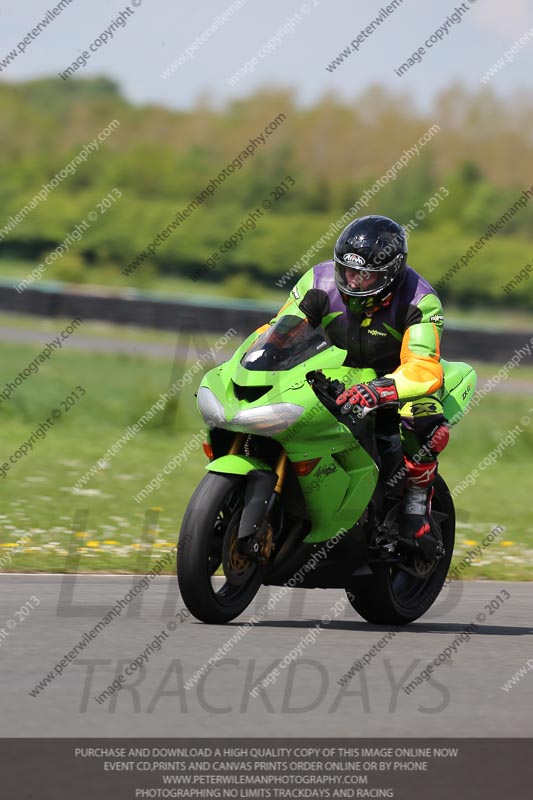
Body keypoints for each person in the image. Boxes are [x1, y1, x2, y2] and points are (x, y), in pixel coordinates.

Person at [272, 215, 450, 559]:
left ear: (391, 273)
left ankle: (416, 508)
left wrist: (380, 389)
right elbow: (280, 329)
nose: (354, 280)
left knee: (424, 416)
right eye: (349, 271)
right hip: (333, 372)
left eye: (366, 274)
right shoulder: (318, 281)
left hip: (394, 381)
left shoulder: (420, 300)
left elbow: (423, 365)